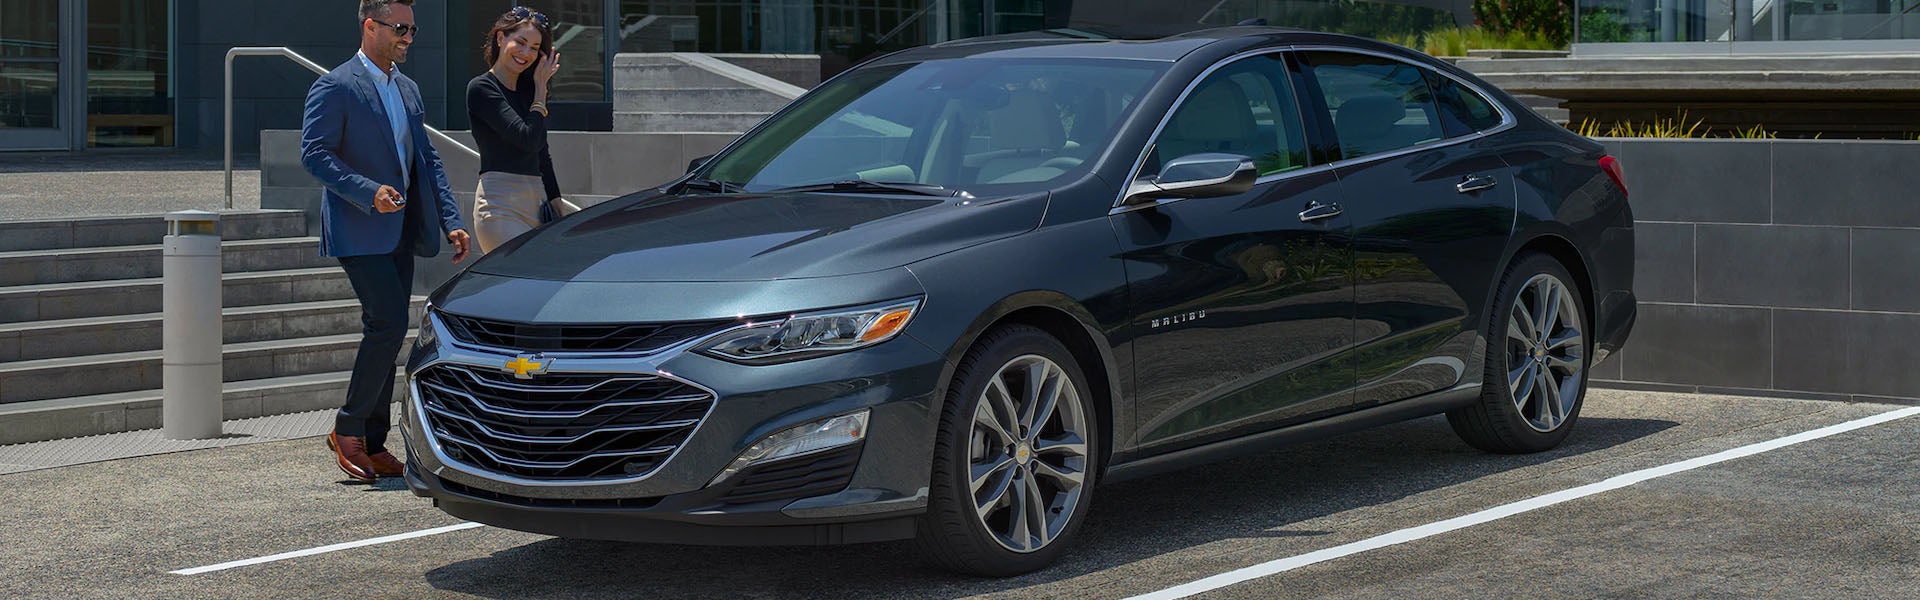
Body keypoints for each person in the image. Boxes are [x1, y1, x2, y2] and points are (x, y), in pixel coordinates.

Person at [301, 0, 471, 483]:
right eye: (401, 28)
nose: (409, 36)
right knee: (388, 321)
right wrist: (367, 191)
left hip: (401, 227)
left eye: (413, 29)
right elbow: (314, 154)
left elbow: (428, 161)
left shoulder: (408, 88)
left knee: (390, 328)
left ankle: (373, 443)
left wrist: (450, 219)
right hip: (359, 226)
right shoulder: (334, 86)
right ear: (370, 26)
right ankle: (348, 429)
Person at [468, 5, 576, 253]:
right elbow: (525, 138)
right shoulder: (482, 88)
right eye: (521, 42)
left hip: (537, 205)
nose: (526, 53)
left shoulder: (528, 93)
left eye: (535, 48)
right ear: (500, 37)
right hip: (499, 207)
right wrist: (541, 90)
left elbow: (541, 153)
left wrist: (557, 203)